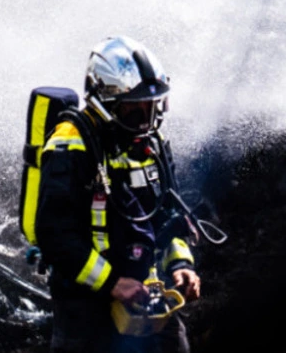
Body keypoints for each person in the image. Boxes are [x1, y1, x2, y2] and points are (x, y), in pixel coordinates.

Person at [34, 36, 200, 353]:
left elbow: (168, 215)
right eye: (135, 110)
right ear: (106, 103)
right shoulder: (70, 144)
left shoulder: (152, 142)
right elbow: (54, 234)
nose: (147, 121)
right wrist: (112, 283)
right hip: (85, 305)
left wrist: (182, 265)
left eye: (153, 107)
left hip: (145, 295)